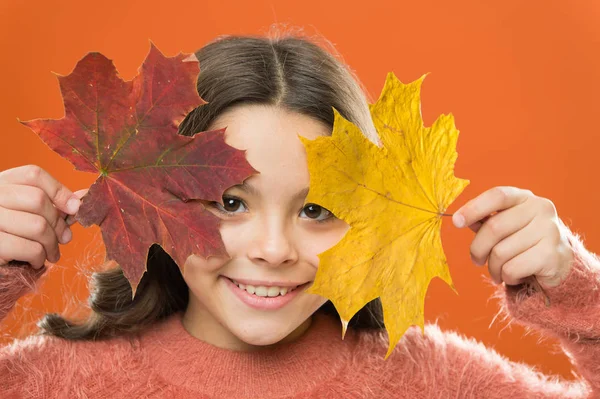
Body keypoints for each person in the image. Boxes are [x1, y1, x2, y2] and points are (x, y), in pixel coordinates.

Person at [0, 33, 598, 398]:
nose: (273, 248)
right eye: (230, 202)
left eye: (315, 210)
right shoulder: (59, 383)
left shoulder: (435, 382)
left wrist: (576, 289)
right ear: (155, 200)